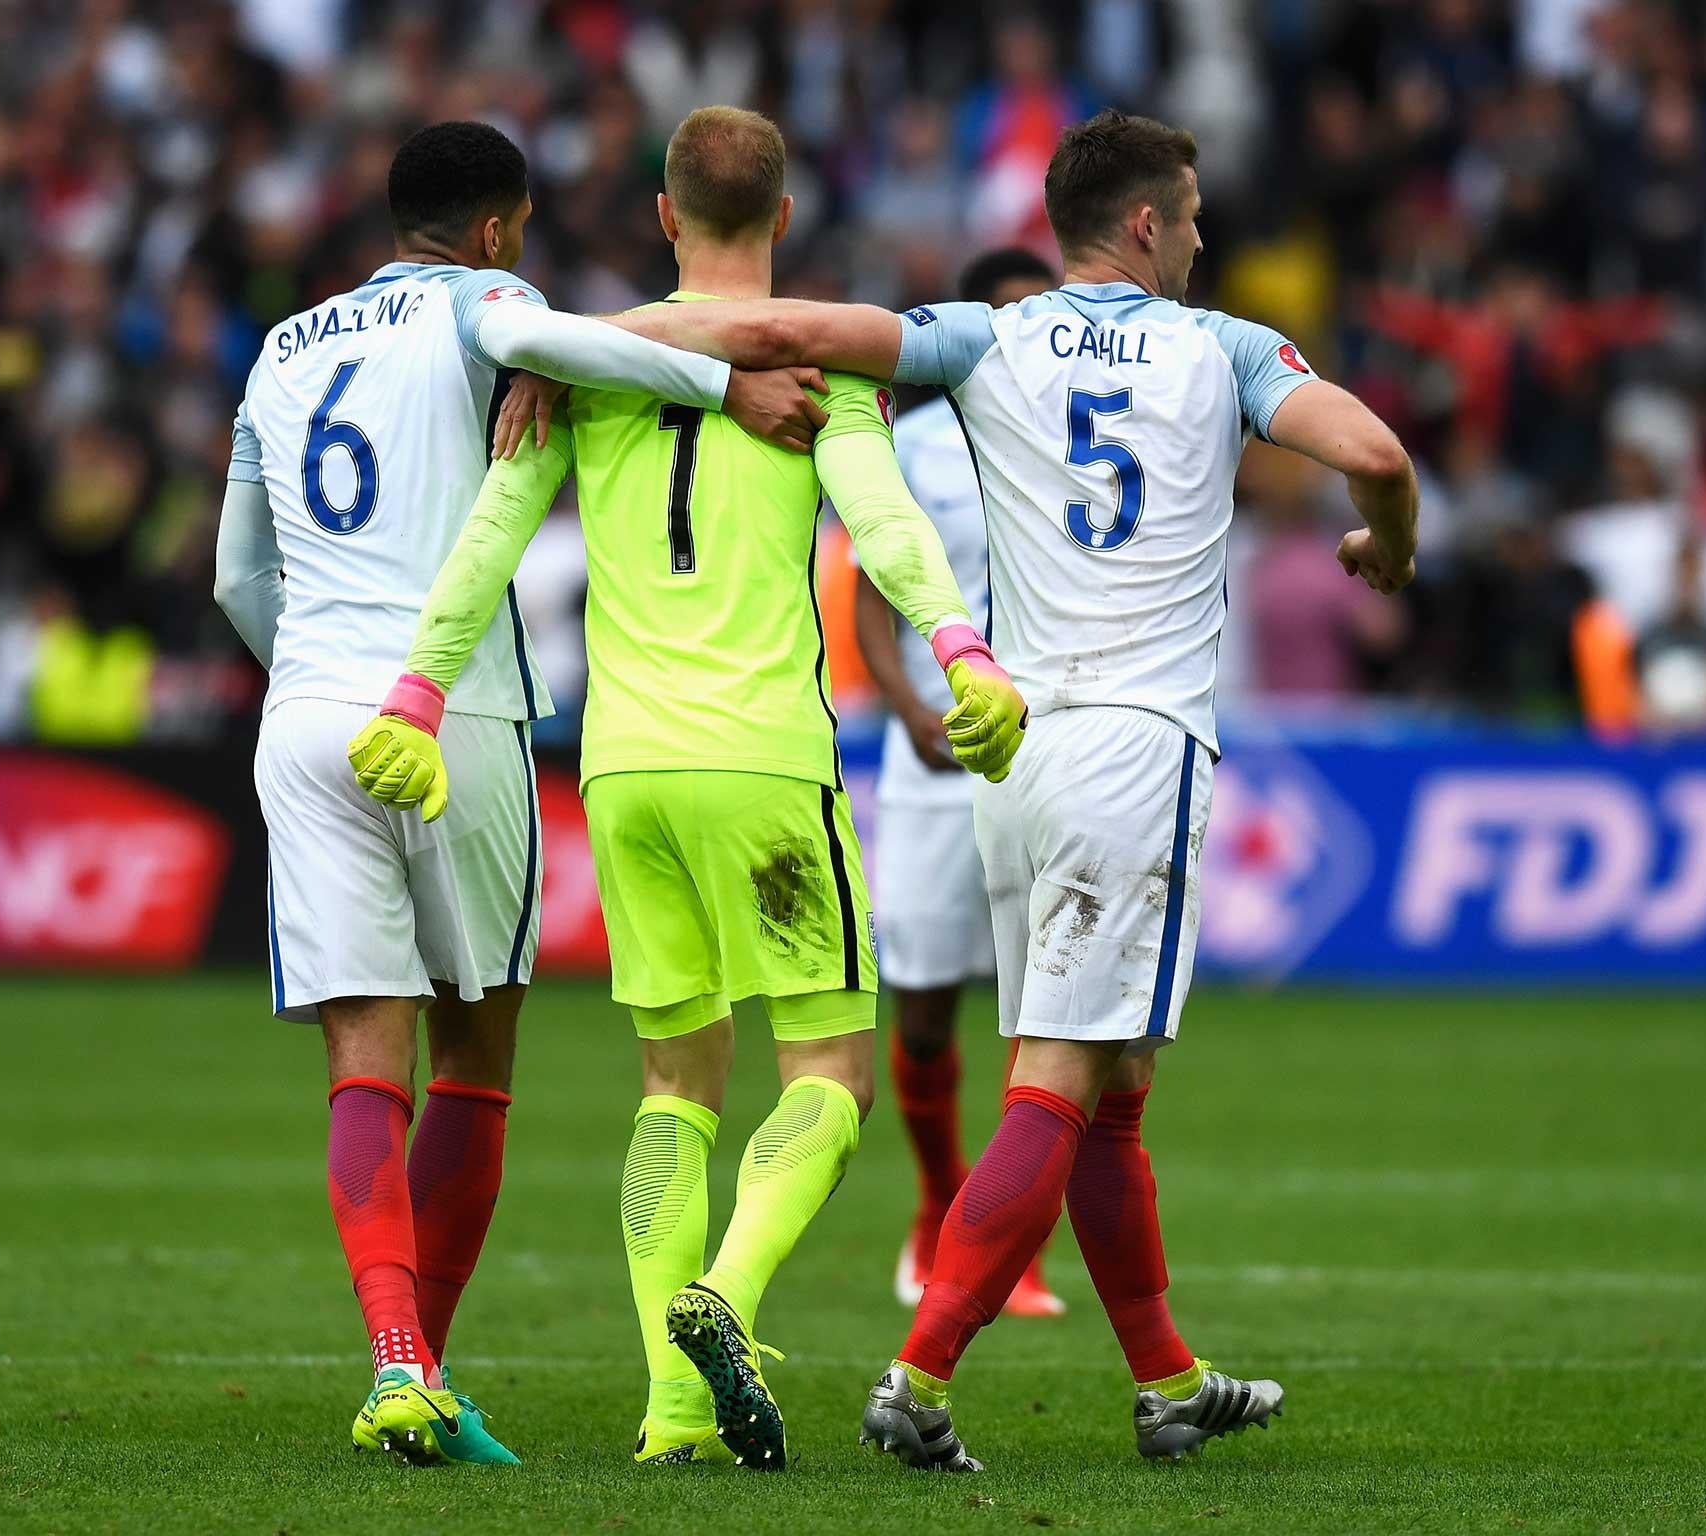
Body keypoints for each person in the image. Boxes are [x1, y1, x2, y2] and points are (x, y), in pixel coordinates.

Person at [577, 108, 1420, 1470]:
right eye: (1193, 216)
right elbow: (1376, 452)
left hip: (1013, 750)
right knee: (1060, 1076)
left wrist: (579, 345)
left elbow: (785, 336)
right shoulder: (1228, 349)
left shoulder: (991, 334)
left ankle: (1164, 1376)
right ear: (1145, 224)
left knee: (1108, 1078)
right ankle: (918, 1377)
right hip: (1136, 749)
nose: (1203, 239)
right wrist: (1387, 540)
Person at [346, 106, 1027, 1472]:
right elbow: (883, 524)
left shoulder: (582, 364)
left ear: (663, 216)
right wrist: (962, 649)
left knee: (674, 1085)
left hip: (626, 767)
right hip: (765, 758)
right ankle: (730, 1292)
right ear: (782, 220)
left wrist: (416, 691)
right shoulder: (814, 365)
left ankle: (670, 1411)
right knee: (831, 1073)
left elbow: (490, 529)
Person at [211, 119, 825, 1467]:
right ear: (497, 229)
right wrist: (734, 390)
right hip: (453, 713)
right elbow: (580, 347)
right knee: (474, 1067)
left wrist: (313, 674)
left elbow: (232, 580)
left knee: (360, 1061)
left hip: (307, 711)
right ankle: (425, 1362)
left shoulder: (279, 347)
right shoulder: (491, 302)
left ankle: (399, 1371)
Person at [854, 245, 1066, 1323]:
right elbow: (865, 599)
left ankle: (1000, 1249)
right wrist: (902, 708)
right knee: (927, 1007)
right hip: (936, 754)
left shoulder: (1087, 435)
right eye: (1009, 318)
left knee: (1046, 1016)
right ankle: (936, 1209)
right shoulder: (914, 443)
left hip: (1056, 753)